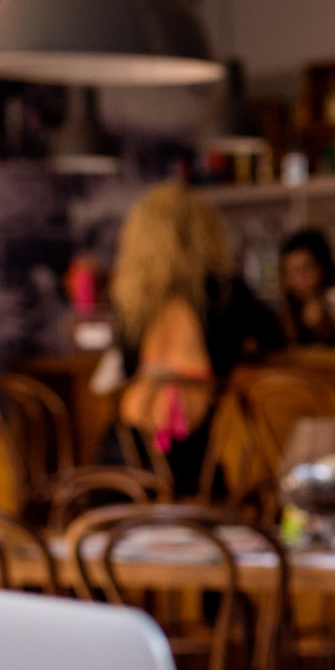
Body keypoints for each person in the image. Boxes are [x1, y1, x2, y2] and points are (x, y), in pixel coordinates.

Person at [106, 183, 285, 494]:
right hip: (194, 442)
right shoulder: (225, 291)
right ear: (206, 235)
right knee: (203, 490)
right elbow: (275, 337)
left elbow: (127, 362)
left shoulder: (135, 298)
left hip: (129, 444)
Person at [277, 228, 335, 347]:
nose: (298, 279)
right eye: (291, 271)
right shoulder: (279, 321)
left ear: (323, 269)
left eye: (305, 269)